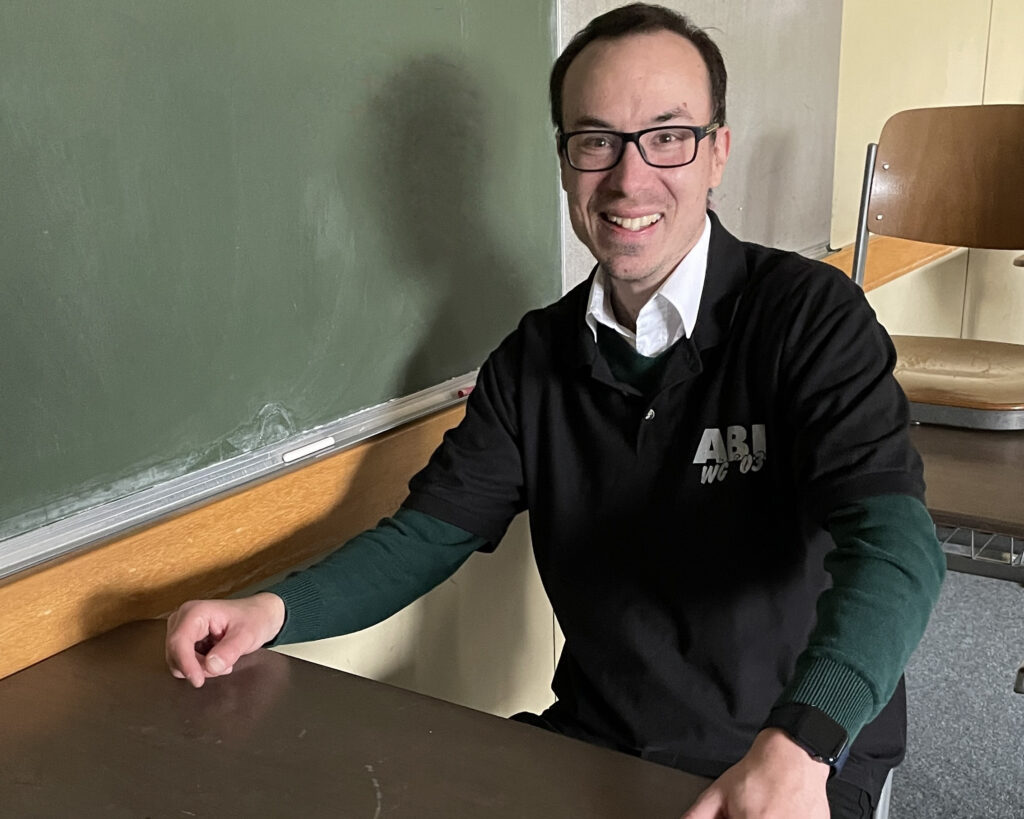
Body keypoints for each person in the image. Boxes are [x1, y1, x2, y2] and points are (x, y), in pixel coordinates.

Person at [165, 5, 945, 817]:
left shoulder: (809, 315)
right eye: (596, 140)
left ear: (718, 151)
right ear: (567, 163)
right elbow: (426, 535)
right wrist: (275, 608)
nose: (629, 178)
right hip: (600, 742)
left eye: (668, 136)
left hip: (795, 755)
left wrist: (802, 743)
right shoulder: (533, 357)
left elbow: (898, 548)